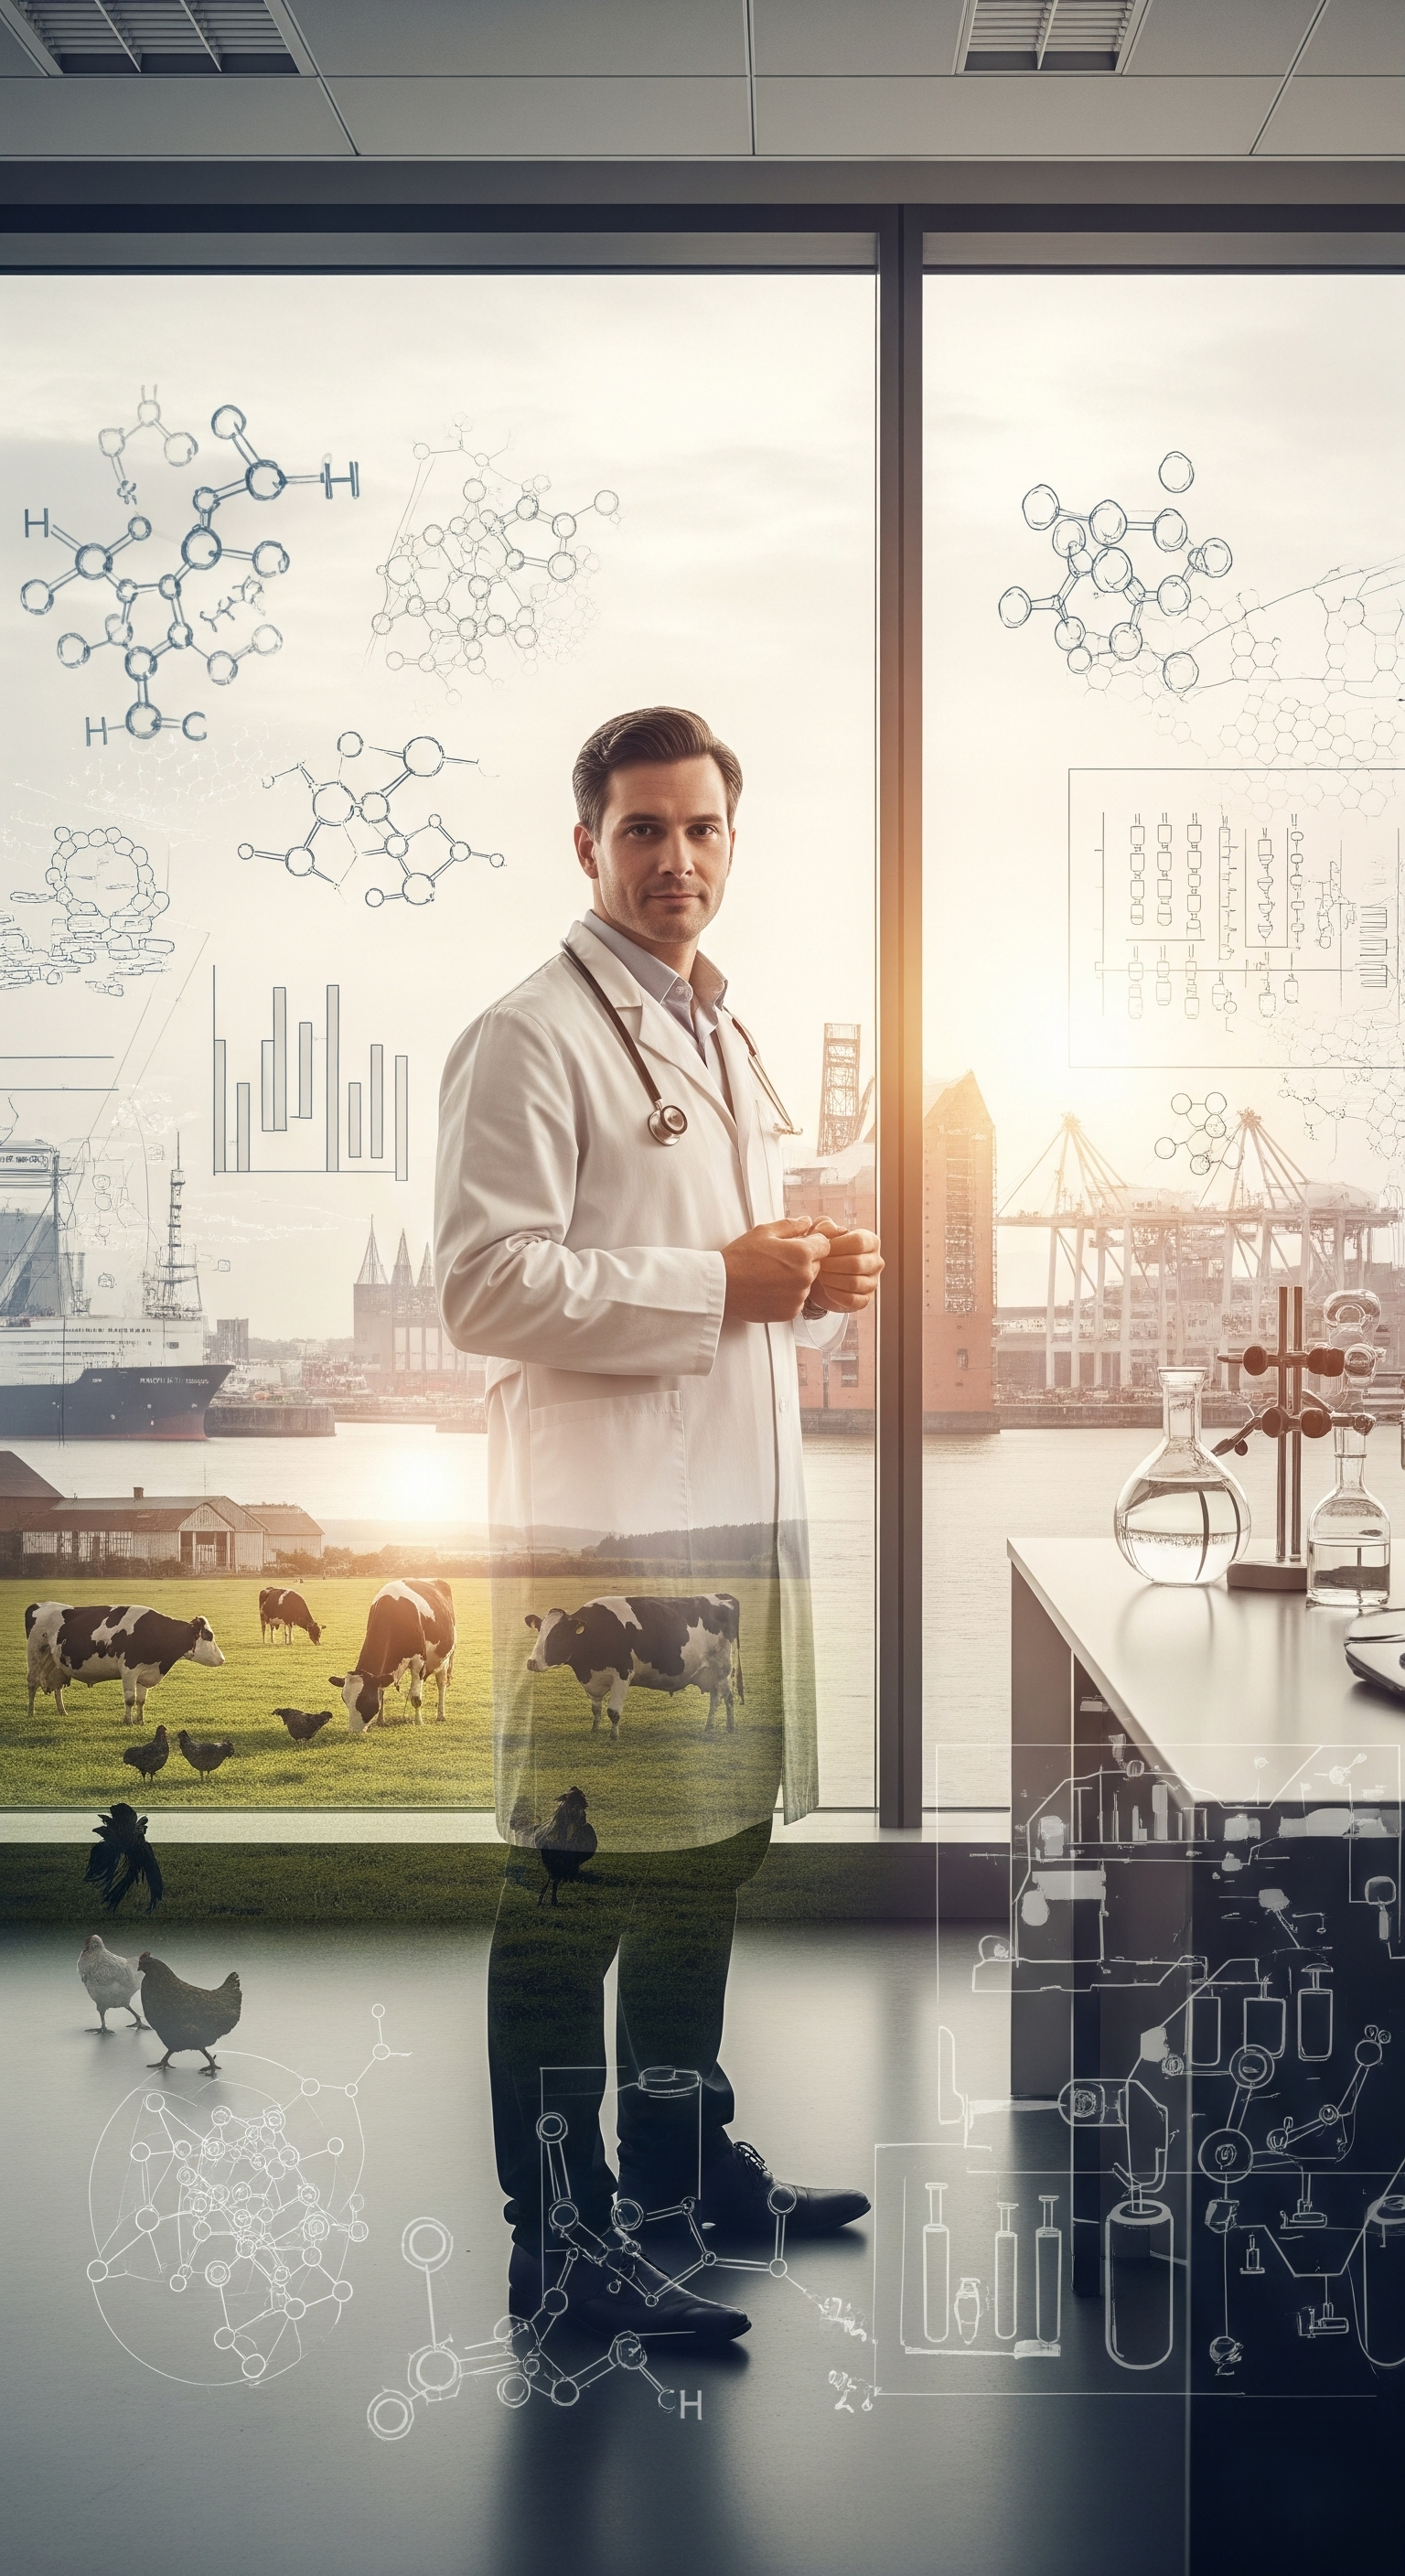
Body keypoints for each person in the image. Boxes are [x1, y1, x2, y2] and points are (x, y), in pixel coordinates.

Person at [434, 705, 884, 2345]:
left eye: (702, 830)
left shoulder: (715, 1030)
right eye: (643, 831)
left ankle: (685, 2173)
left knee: (712, 1852)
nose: (677, 860)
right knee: (576, 1893)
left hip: (732, 1527)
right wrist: (722, 1282)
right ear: (587, 845)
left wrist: (806, 1280)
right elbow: (484, 1284)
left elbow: (721, 1271)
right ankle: (557, 2252)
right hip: (605, 1556)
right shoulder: (529, 1035)